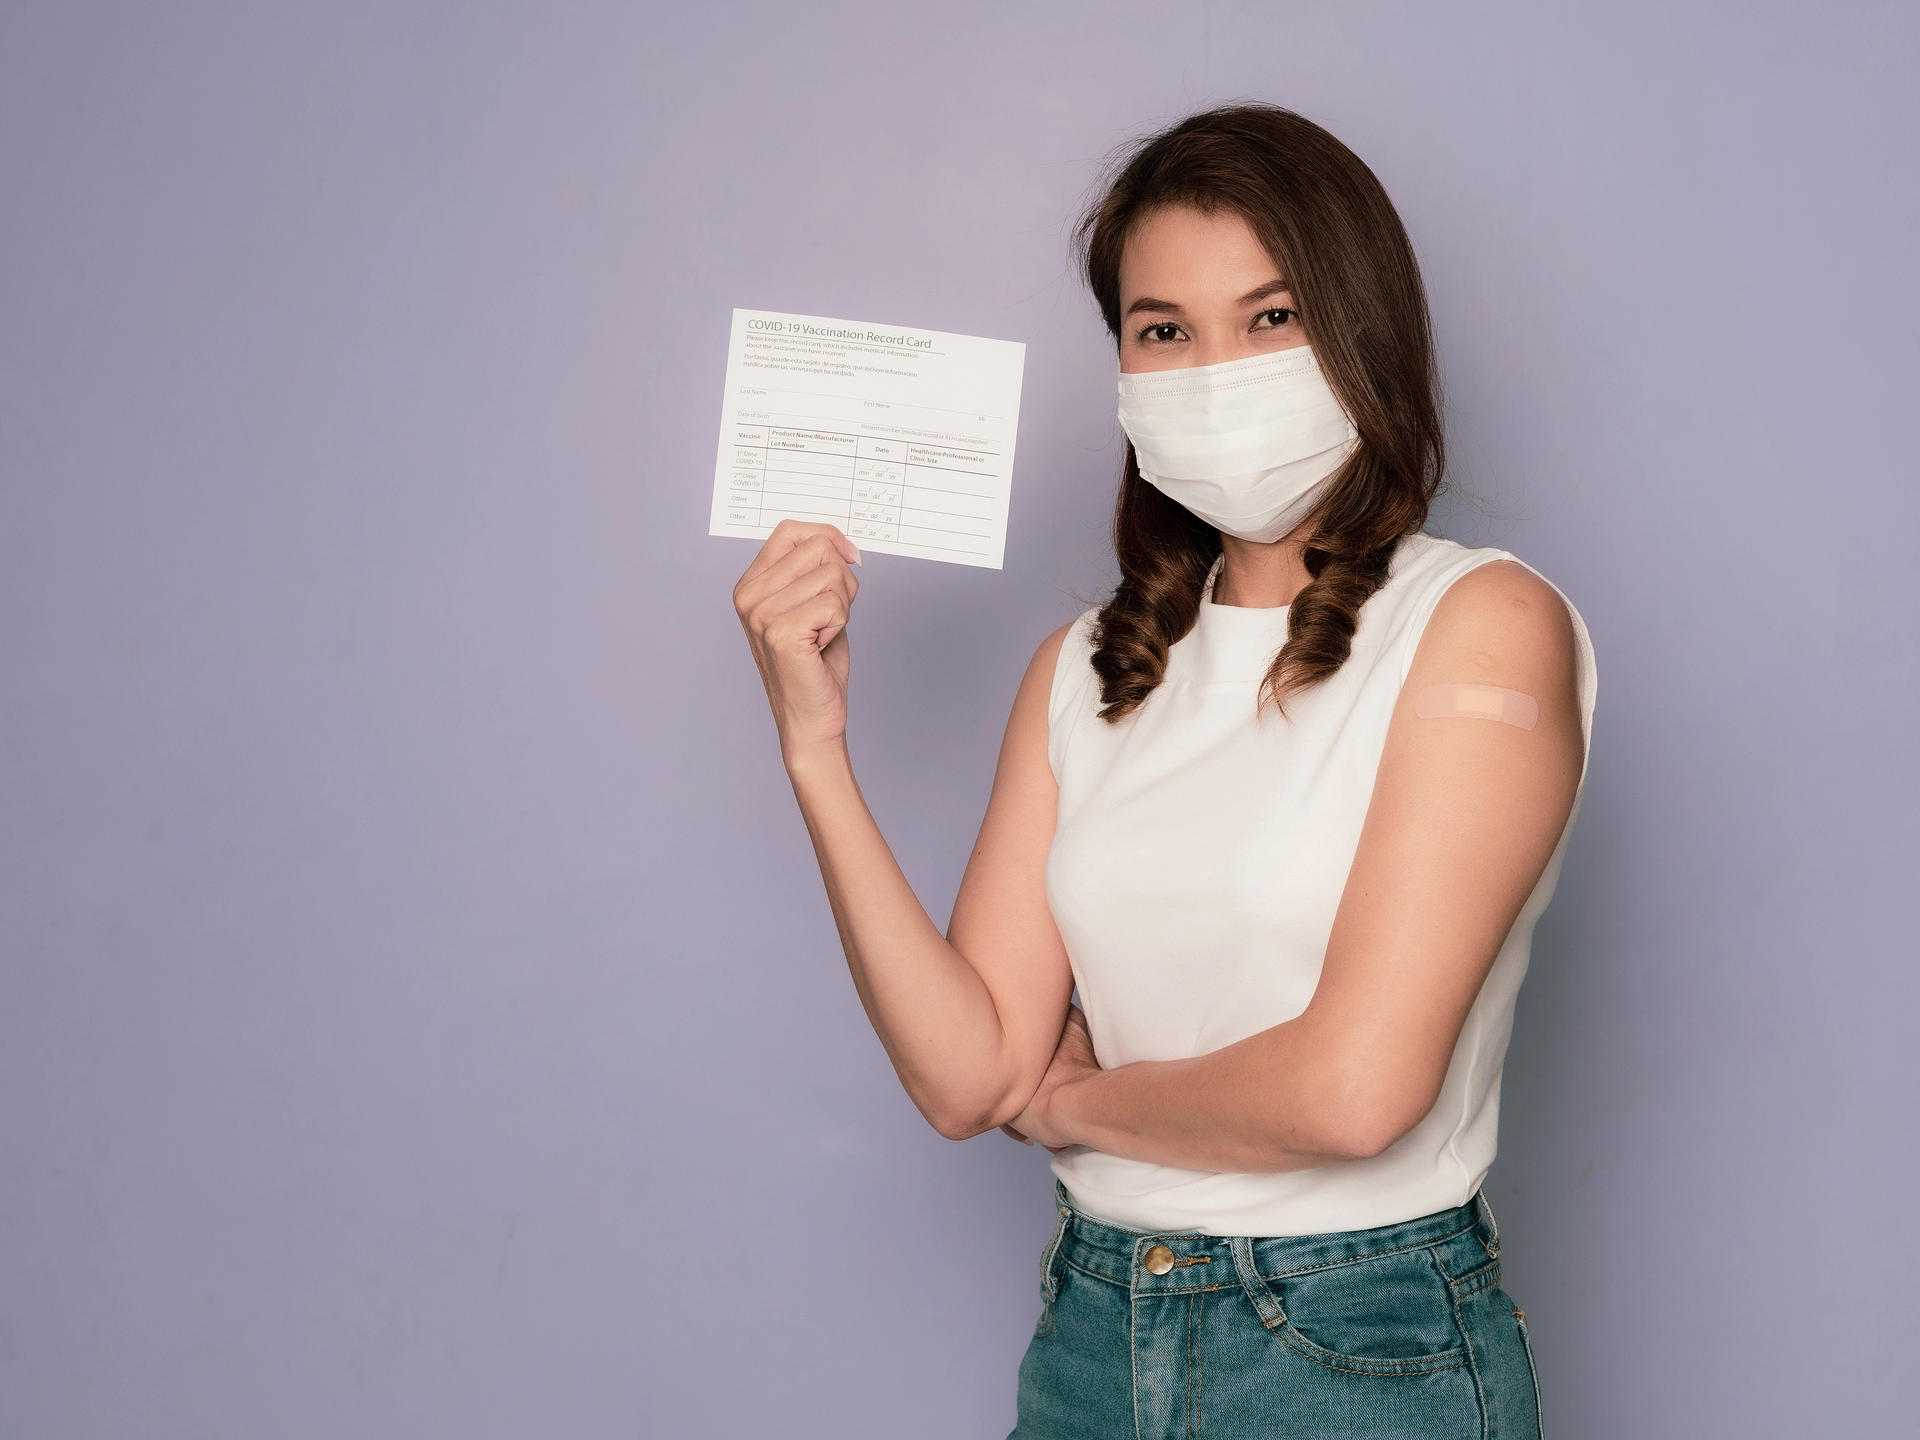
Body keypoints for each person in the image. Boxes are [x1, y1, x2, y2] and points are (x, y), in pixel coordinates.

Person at [731, 104, 1594, 1440]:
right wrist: (813, 745)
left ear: (1362, 331)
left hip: (1359, 1344)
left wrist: (1080, 1101)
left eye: (1271, 316)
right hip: (1092, 1331)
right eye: (1163, 330)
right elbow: (967, 1077)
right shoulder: (1083, 668)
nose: (1214, 368)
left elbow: (1357, 1089)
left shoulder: (1482, 626)